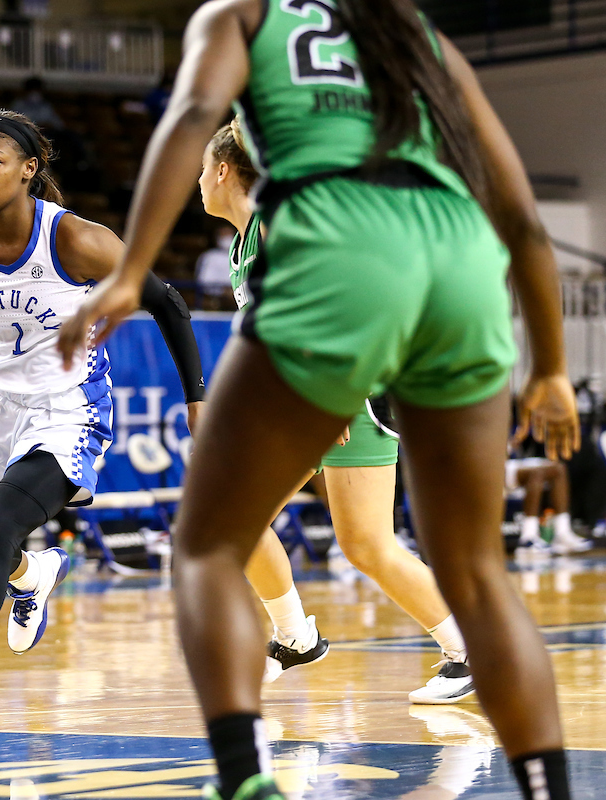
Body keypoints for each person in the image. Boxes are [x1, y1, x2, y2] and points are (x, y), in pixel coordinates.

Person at [57, 2, 580, 799]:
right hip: (460, 265)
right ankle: (539, 778)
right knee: (465, 566)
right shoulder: (410, 29)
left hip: (346, 289)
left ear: (224, 171)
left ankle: (246, 774)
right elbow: (518, 213)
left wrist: (132, 274)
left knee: (210, 542)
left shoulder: (246, 20)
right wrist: (551, 366)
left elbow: (194, 113)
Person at [0, 110, 208, 750]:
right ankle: (33, 575)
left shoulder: (76, 240)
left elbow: (166, 301)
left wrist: (196, 398)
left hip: (66, 408)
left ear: (28, 169)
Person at [203, 120, 472, 702]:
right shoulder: (246, 242)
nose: (198, 183)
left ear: (223, 171)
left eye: (203, 170)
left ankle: (467, 650)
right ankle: (295, 637)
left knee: (367, 544)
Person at [508, 452, 591, 556]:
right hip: (496, 467)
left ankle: (562, 533)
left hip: (514, 462)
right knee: (537, 472)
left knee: (558, 468)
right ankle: (527, 538)